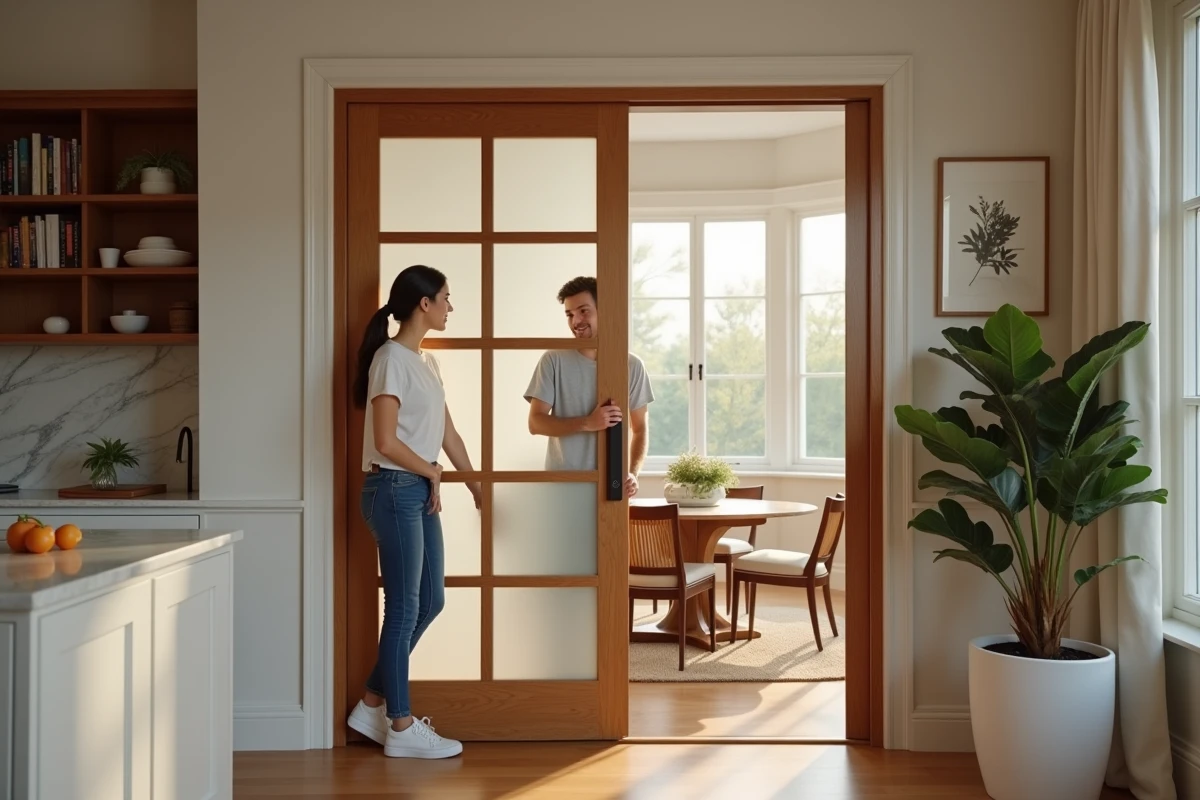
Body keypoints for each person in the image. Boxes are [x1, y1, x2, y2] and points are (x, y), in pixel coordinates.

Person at [346, 264, 480, 760]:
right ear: (424, 304)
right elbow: (384, 441)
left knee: (431, 600)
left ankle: (371, 702)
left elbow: (449, 434)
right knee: (403, 608)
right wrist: (433, 472)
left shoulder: (426, 363)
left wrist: (474, 483)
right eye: (446, 297)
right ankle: (399, 726)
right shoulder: (390, 359)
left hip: (418, 488)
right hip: (394, 489)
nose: (450, 306)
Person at [525, 276, 654, 494]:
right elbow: (535, 423)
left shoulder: (632, 366)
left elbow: (640, 428)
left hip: (612, 488)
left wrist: (632, 473)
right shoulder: (553, 360)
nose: (576, 321)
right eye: (570, 314)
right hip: (561, 488)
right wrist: (587, 423)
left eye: (583, 311)